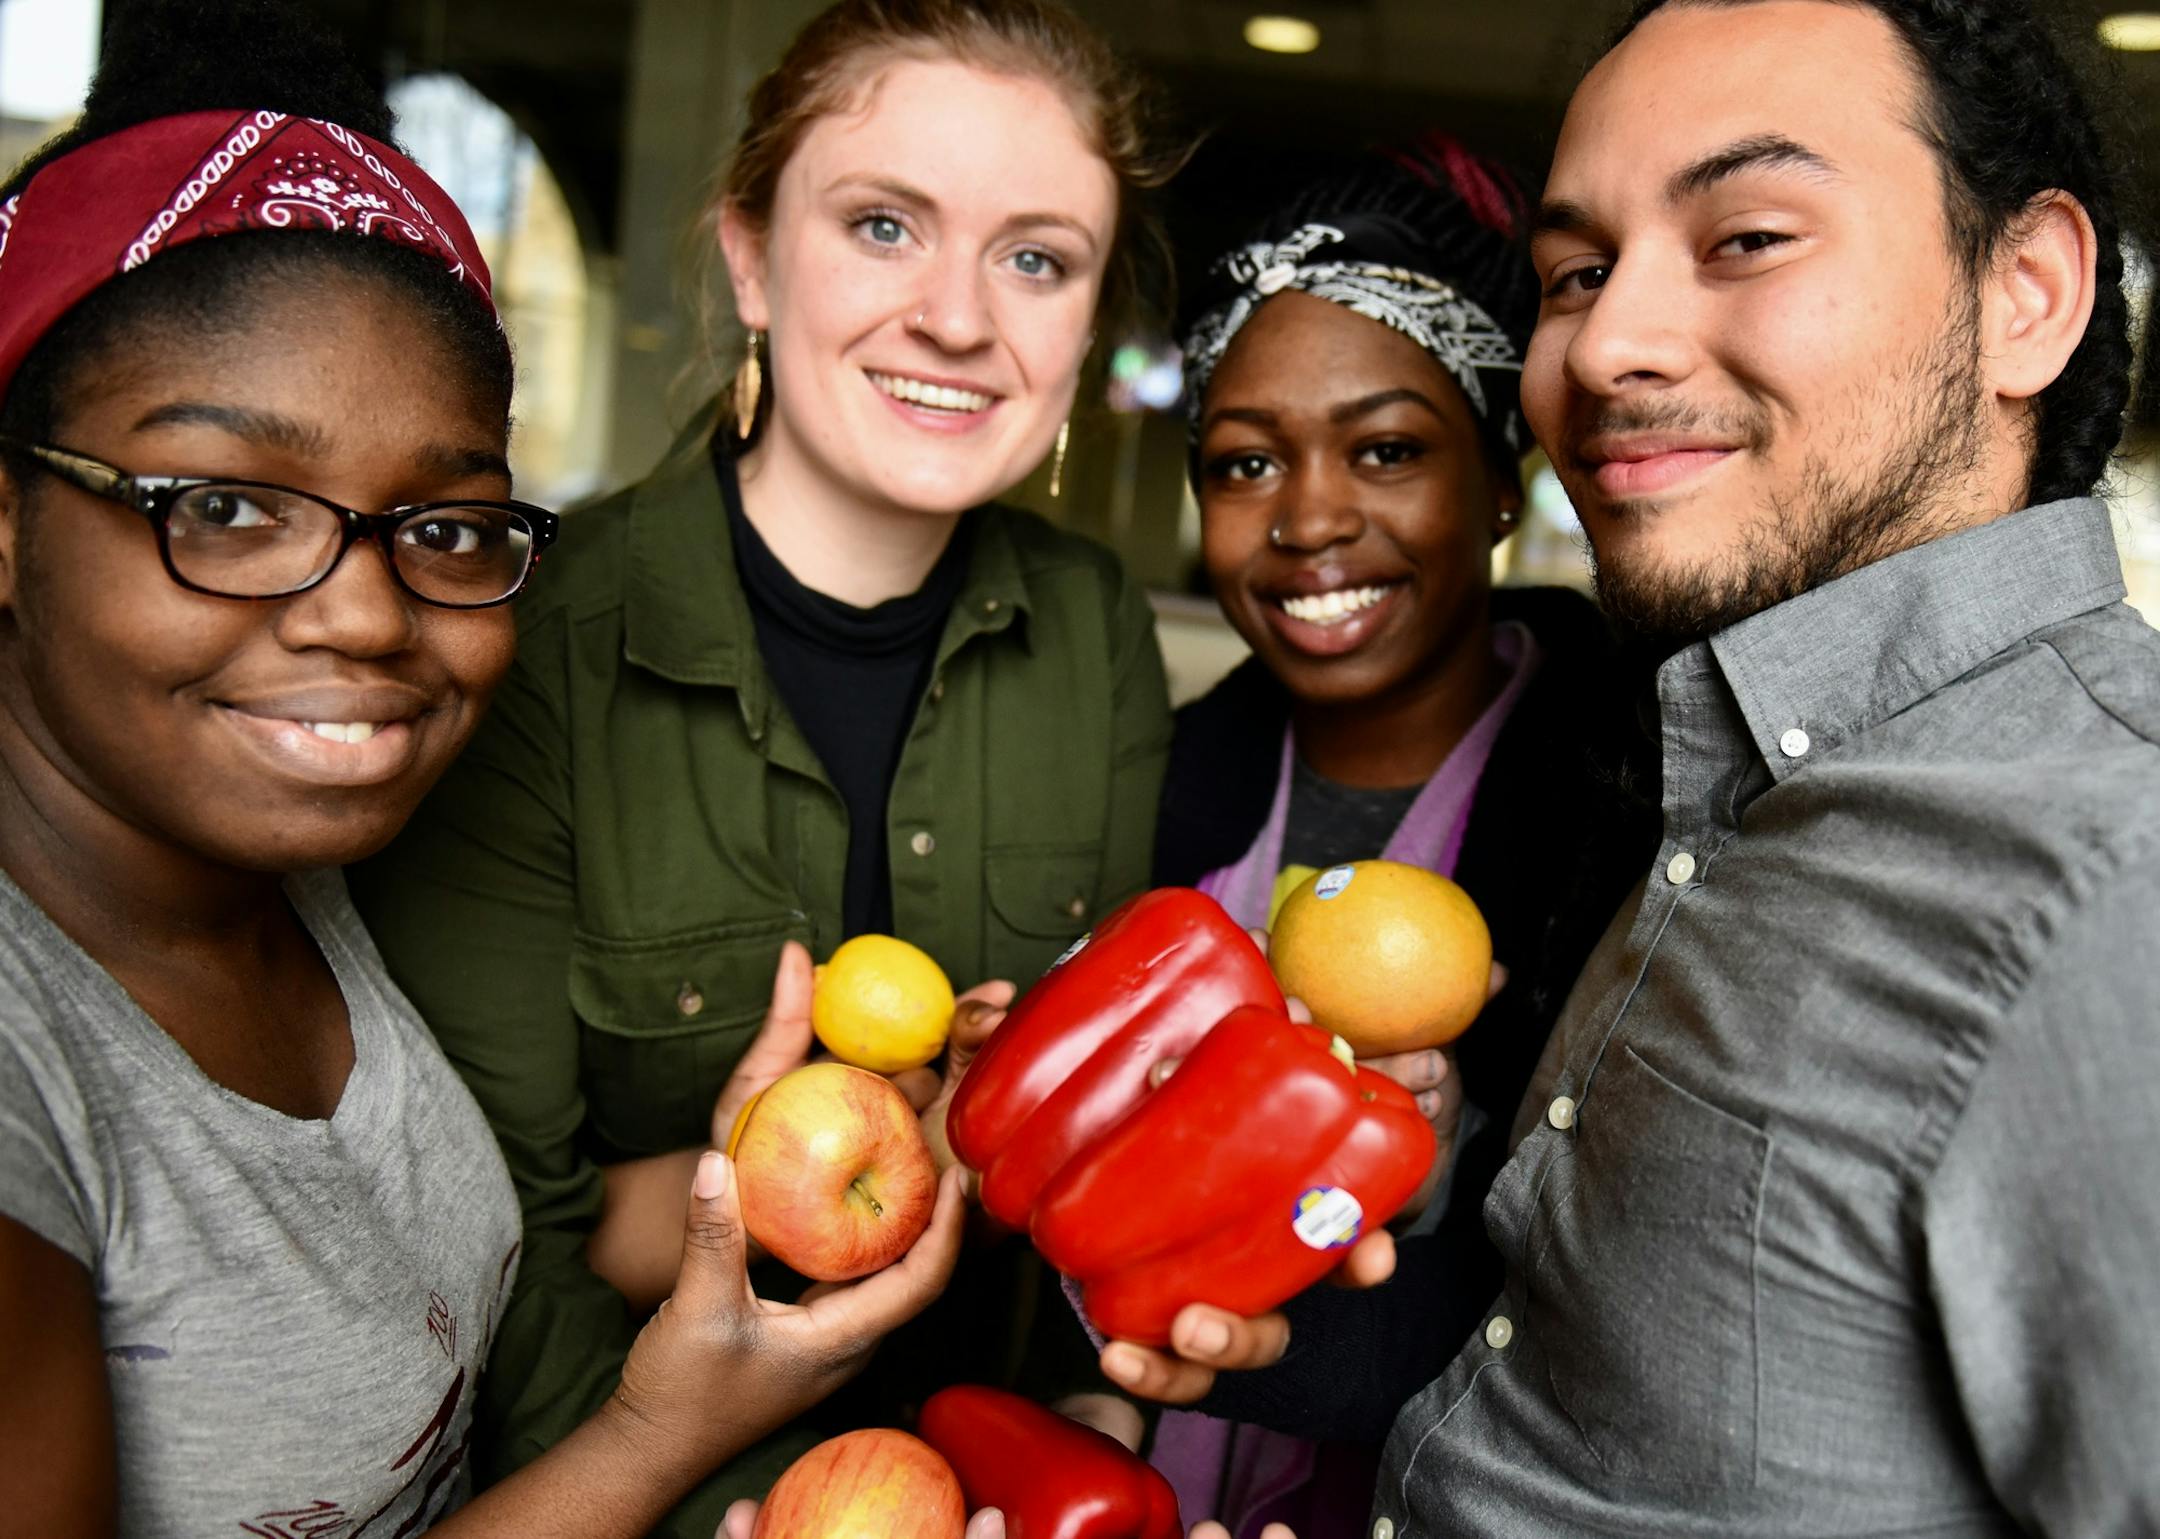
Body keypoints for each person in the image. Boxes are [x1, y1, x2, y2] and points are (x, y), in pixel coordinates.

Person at [1108, 0, 2160, 1533]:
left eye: (1745, 237)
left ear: (2029, 292)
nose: (1605, 344)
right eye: (1574, 275)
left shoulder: (2112, 884)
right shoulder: (1715, 782)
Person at [0, 5, 971, 1536]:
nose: (369, 613)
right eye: (231, 507)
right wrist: (656, 1436)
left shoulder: (302, 879)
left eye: (447, 527)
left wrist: (732, 1187)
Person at [347, 0, 1179, 1526]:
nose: (956, 317)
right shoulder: (532, 642)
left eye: (1036, 258)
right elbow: (490, 1246)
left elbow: (1067, 1153)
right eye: (882, 225)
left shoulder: (1095, 631)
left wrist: (1082, 1428)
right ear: (747, 253)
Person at [1142, 140, 1656, 1538]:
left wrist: (1442, 1169)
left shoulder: (1632, 812)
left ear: (1500, 482)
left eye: (1386, 450)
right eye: (1247, 462)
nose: (1309, 520)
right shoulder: (1154, 785)